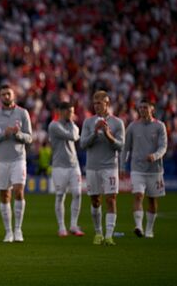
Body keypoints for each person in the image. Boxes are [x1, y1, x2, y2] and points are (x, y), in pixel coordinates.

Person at [0, 84, 33, 243]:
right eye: (3, 94)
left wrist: (18, 134)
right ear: (0, 97)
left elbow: (30, 138)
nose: (6, 96)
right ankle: (8, 231)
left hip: (18, 158)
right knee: (4, 195)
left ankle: (18, 229)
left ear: (14, 95)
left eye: (8, 94)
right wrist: (4, 134)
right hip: (1, 160)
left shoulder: (22, 113)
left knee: (19, 191)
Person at [80, 90, 125, 246]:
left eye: (100, 103)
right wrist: (94, 132)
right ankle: (98, 232)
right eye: (95, 103)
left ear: (107, 104)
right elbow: (83, 144)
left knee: (111, 199)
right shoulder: (88, 122)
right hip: (92, 167)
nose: (97, 106)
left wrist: (107, 134)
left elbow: (120, 146)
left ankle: (109, 235)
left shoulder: (117, 123)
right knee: (95, 200)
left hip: (110, 166)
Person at [122, 99, 168, 238]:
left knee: (152, 200)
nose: (142, 110)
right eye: (140, 107)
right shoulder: (132, 126)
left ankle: (149, 229)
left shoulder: (160, 126)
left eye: (145, 107)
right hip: (137, 168)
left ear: (152, 109)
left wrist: (155, 156)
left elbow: (163, 146)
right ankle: (138, 226)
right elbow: (126, 148)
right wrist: (123, 165)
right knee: (138, 195)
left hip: (155, 170)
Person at [47, 101, 84, 238]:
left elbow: (74, 135)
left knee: (77, 194)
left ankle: (74, 225)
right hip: (59, 166)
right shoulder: (54, 125)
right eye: (69, 111)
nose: (72, 114)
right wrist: (74, 128)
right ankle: (62, 227)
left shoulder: (71, 125)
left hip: (74, 165)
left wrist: (73, 127)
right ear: (61, 112)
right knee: (60, 195)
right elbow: (73, 136)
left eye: (73, 111)